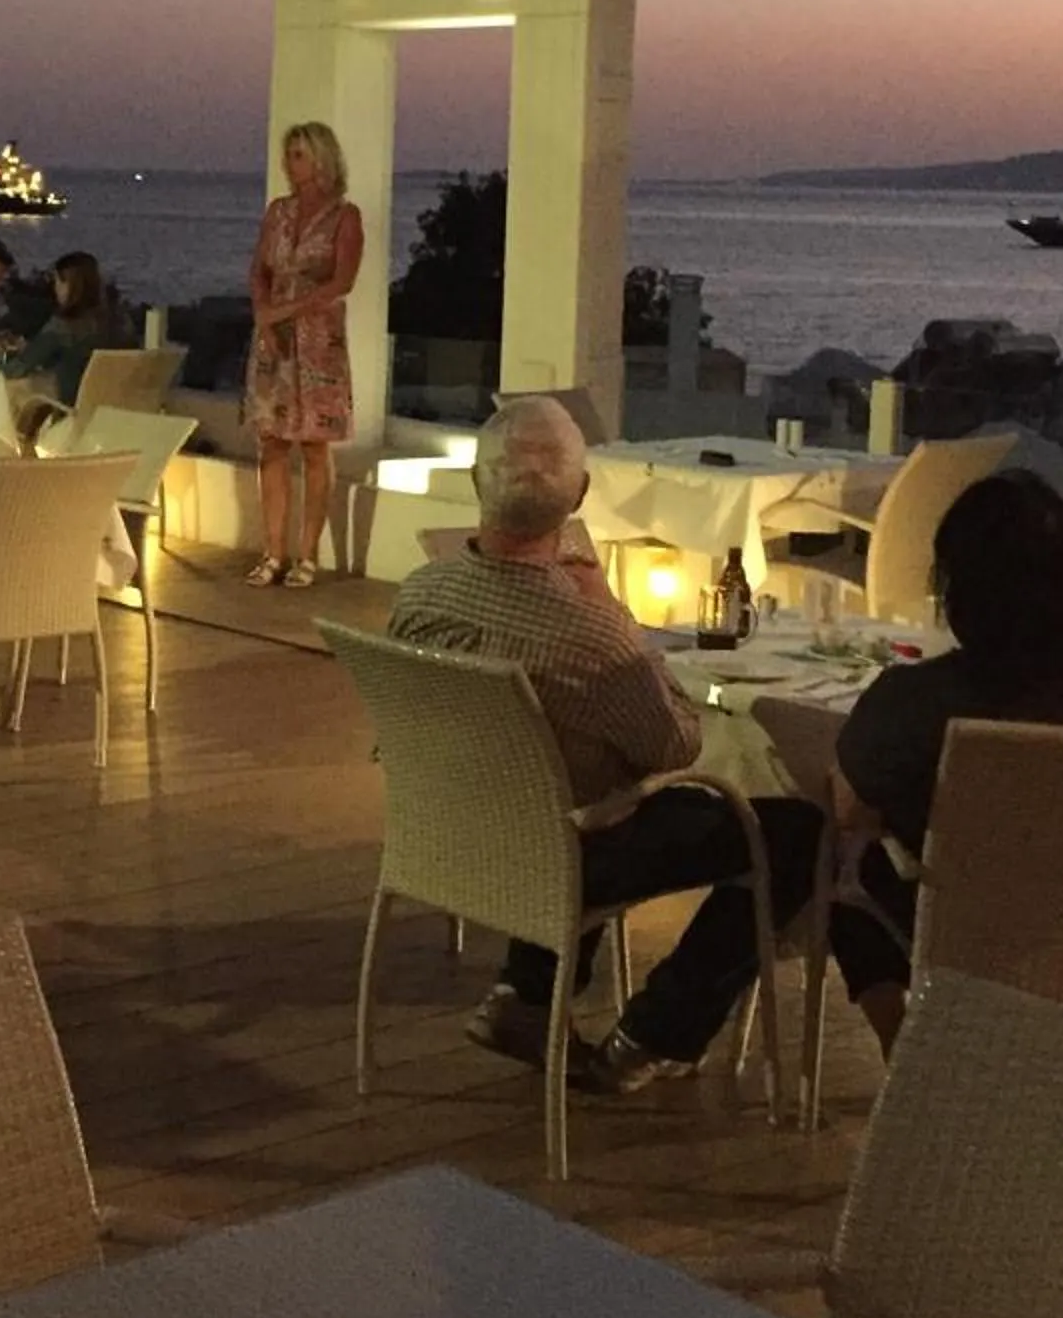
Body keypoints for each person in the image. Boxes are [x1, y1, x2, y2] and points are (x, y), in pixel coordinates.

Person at [386, 399, 824, 1089]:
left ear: (474, 483)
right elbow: (675, 746)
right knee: (798, 831)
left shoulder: (420, 594)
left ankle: (525, 997)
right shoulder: (593, 636)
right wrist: (615, 615)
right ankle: (655, 1034)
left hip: (451, 840)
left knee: (580, 776)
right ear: (580, 497)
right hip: (558, 859)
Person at [809, 468, 1063, 1055]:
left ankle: (905, 1053)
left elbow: (848, 803)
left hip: (976, 929)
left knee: (832, 848)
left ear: (961, 590)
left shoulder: (924, 700)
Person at [243, 120, 363, 587]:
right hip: (274, 338)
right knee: (271, 442)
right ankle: (273, 551)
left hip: (318, 342)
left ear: (321, 159)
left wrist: (286, 310)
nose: (290, 164)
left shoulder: (344, 216)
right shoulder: (278, 213)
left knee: (314, 445)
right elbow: (259, 270)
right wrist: (264, 316)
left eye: (298, 154)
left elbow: (342, 281)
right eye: (288, 154)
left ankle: (308, 554)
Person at [6, 250, 114, 406]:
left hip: (70, 408)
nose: (55, 288)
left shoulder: (62, 326)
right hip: (106, 412)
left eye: (57, 282)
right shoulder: (115, 323)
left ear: (68, 284)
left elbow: (17, 369)